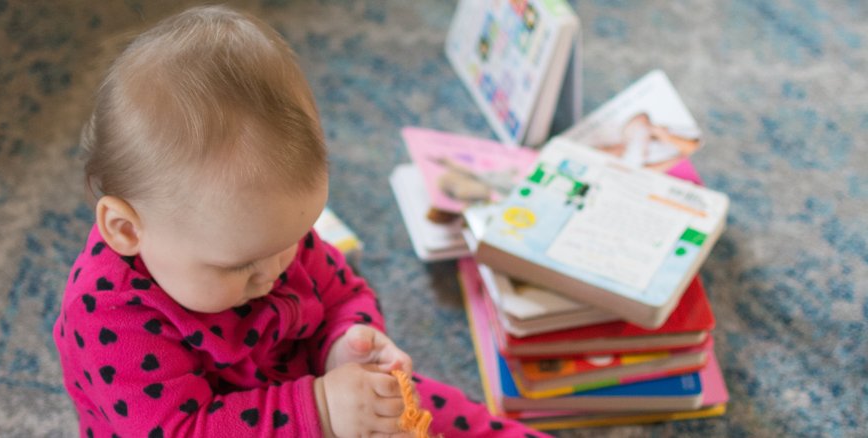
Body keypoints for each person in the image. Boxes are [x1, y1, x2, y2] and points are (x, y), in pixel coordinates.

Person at [53, 6, 552, 438]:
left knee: (434, 411)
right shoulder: (107, 317)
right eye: (241, 265)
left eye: (292, 240)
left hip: (309, 391)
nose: (273, 273)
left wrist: (349, 342)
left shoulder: (265, 237)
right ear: (126, 230)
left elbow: (341, 291)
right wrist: (320, 410)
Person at [598, 112, 702, 172]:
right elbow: (690, 150)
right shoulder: (633, 162)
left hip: (684, 136)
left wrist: (656, 132)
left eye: (607, 148)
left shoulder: (631, 134)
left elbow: (642, 117)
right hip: (682, 152)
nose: (611, 150)